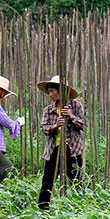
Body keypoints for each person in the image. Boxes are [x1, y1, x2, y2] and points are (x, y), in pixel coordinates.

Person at [37, 75, 86, 210]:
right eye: (50, 91)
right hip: (54, 149)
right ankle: (42, 209)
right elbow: (44, 128)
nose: (51, 94)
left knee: (75, 179)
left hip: (73, 148)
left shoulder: (75, 105)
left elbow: (83, 125)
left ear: (61, 91)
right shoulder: (48, 109)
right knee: (48, 180)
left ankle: (79, 208)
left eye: (53, 91)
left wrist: (71, 116)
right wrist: (55, 126)